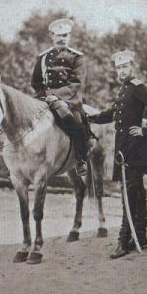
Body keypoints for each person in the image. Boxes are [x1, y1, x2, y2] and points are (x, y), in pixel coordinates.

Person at [89, 49, 147, 258]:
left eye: (125, 67)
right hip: (125, 149)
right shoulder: (124, 89)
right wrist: (91, 118)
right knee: (136, 193)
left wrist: (146, 129)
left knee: (129, 195)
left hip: (136, 149)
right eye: (118, 68)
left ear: (132, 67)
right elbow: (113, 114)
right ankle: (140, 236)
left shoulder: (137, 87)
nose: (121, 71)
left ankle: (124, 240)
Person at [31, 18, 89, 176]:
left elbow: (75, 84)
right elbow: (36, 82)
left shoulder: (77, 57)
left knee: (77, 124)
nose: (62, 38)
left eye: (65, 35)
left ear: (69, 36)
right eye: (59, 35)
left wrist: (54, 96)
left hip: (69, 100)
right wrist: (44, 96)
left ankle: (81, 159)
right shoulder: (43, 58)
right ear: (52, 36)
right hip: (44, 100)